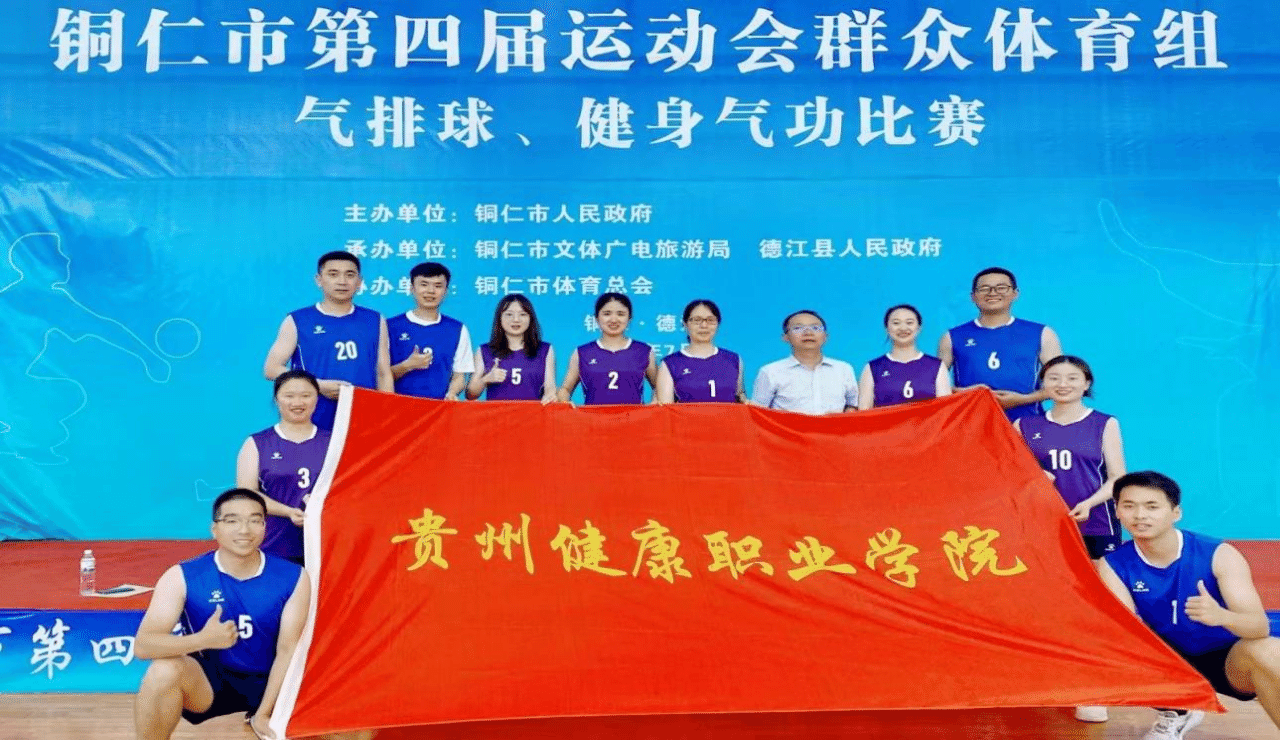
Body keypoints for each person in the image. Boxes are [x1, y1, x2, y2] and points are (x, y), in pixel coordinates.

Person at [1098, 471, 1280, 740]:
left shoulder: (1219, 554)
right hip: (1166, 659)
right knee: (1108, 643)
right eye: (1129, 506)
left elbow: (1258, 627)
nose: (1139, 515)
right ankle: (1176, 711)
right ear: (1117, 512)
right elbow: (1126, 630)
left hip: (1225, 660)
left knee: (1271, 651)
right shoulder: (1113, 564)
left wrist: (1222, 616)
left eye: (1152, 506)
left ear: (1176, 513)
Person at [133, 489, 308, 740]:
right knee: (163, 671)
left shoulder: (293, 576)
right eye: (232, 520)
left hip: (273, 680)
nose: (244, 530)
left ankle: (264, 711)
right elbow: (143, 646)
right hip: (211, 682)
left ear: (264, 527)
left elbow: (288, 651)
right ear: (214, 529)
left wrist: (264, 713)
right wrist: (203, 640)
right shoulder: (182, 576)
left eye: (255, 520)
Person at [1015, 355, 1125, 724]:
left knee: (1097, 605)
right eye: (1054, 377)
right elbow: (1007, 470)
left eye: (1072, 378)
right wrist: (1035, 477)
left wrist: (1089, 503)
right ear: (1043, 384)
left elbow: (1117, 478)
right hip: (1042, 527)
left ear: (1086, 383)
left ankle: (1094, 689)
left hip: (1095, 524)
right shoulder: (1025, 425)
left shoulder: (1104, 423)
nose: (1063, 384)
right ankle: (1054, 678)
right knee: (1049, 603)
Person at [262, 252, 392, 430]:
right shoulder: (298, 320)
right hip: (312, 418)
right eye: (333, 274)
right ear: (319, 280)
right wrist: (317, 385)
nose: (342, 281)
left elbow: (383, 373)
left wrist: (389, 414)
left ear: (359, 282)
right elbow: (271, 369)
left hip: (364, 418)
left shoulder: (375, 320)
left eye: (350, 275)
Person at [938, 267, 1062, 422]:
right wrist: (968, 395)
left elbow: (1061, 383)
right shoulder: (952, 337)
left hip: (1026, 424)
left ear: (1015, 293)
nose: (993, 293)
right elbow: (934, 386)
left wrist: (1023, 399)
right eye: (984, 288)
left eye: (1001, 287)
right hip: (970, 425)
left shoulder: (1042, 333)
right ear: (973, 296)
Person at [235, 370, 331, 567]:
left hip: (327, 543)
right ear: (276, 399)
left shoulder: (335, 442)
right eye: (289, 396)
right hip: (274, 544)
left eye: (306, 395)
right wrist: (288, 512)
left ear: (317, 398)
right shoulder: (257, 443)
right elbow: (247, 495)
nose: (297, 402)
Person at [386, 262, 475, 400]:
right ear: (411, 288)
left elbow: (459, 376)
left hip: (438, 409)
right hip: (398, 407)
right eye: (424, 284)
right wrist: (407, 366)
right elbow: (379, 376)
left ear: (446, 291)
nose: (430, 291)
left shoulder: (457, 329)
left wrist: (452, 393)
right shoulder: (389, 327)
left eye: (438, 286)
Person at [556, 293, 656, 405]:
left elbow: (658, 387)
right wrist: (564, 401)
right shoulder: (582, 353)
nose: (614, 319)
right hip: (592, 416)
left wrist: (654, 403)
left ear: (629, 318)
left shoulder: (644, 351)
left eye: (621, 314)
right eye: (607, 314)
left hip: (634, 416)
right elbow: (565, 389)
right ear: (597, 318)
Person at [752, 309, 858, 415]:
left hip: (833, 426)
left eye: (815, 328)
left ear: (825, 336)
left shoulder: (843, 369)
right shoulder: (770, 372)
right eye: (798, 328)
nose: (808, 333)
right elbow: (757, 412)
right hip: (786, 426)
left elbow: (853, 405)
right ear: (785, 337)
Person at [466, 294, 557, 403]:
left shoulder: (545, 350)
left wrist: (551, 395)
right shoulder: (484, 351)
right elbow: (470, 394)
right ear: (500, 318)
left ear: (530, 318)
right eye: (509, 314)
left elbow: (550, 387)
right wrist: (487, 379)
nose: (516, 320)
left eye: (522, 314)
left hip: (533, 413)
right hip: (497, 413)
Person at [857, 304, 951, 409]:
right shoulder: (872, 368)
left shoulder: (936, 366)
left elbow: (945, 411)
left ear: (919, 328)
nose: (903, 328)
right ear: (887, 328)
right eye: (896, 323)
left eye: (909, 322)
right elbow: (864, 412)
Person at [655, 299, 745, 404]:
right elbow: (666, 408)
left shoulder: (733, 360)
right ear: (685, 324)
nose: (704, 326)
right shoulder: (670, 363)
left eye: (710, 320)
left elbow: (740, 397)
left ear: (718, 324)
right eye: (697, 320)